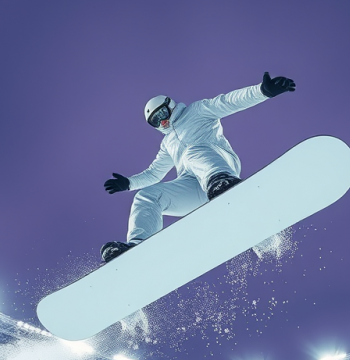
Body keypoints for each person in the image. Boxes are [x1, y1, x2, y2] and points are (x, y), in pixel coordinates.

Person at [101, 71, 296, 262]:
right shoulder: (167, 143)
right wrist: (128, 183)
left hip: (220, 166)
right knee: (146, 196)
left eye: (162, 113)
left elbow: (228, 102)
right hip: (195, 187)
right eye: (156, 121)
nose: (163, 120)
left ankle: (222, 183)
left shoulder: (197, 111)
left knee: (192, 152)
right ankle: (137, 247)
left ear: (170, 105)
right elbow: (154, 173)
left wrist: (263, 91)